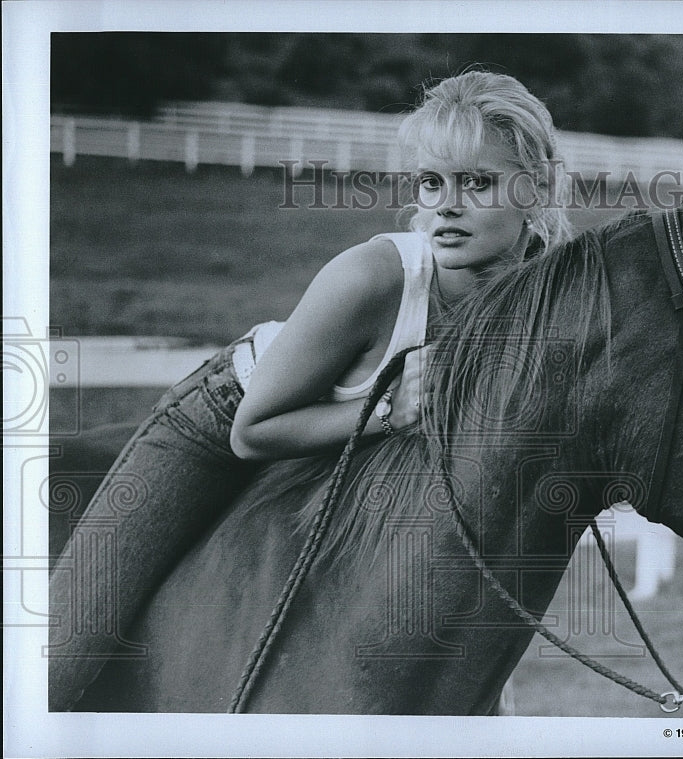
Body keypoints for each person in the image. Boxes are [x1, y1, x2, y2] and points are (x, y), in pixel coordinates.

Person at [48, 69, 573, 713]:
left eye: (478, 183)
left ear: (535, 191)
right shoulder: (373, 277)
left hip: (367, 463)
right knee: (59, 660)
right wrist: (387, 410)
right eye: (433, 182)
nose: (447, 206)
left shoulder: (540, 300)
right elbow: (254, 430)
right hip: (229, 423)